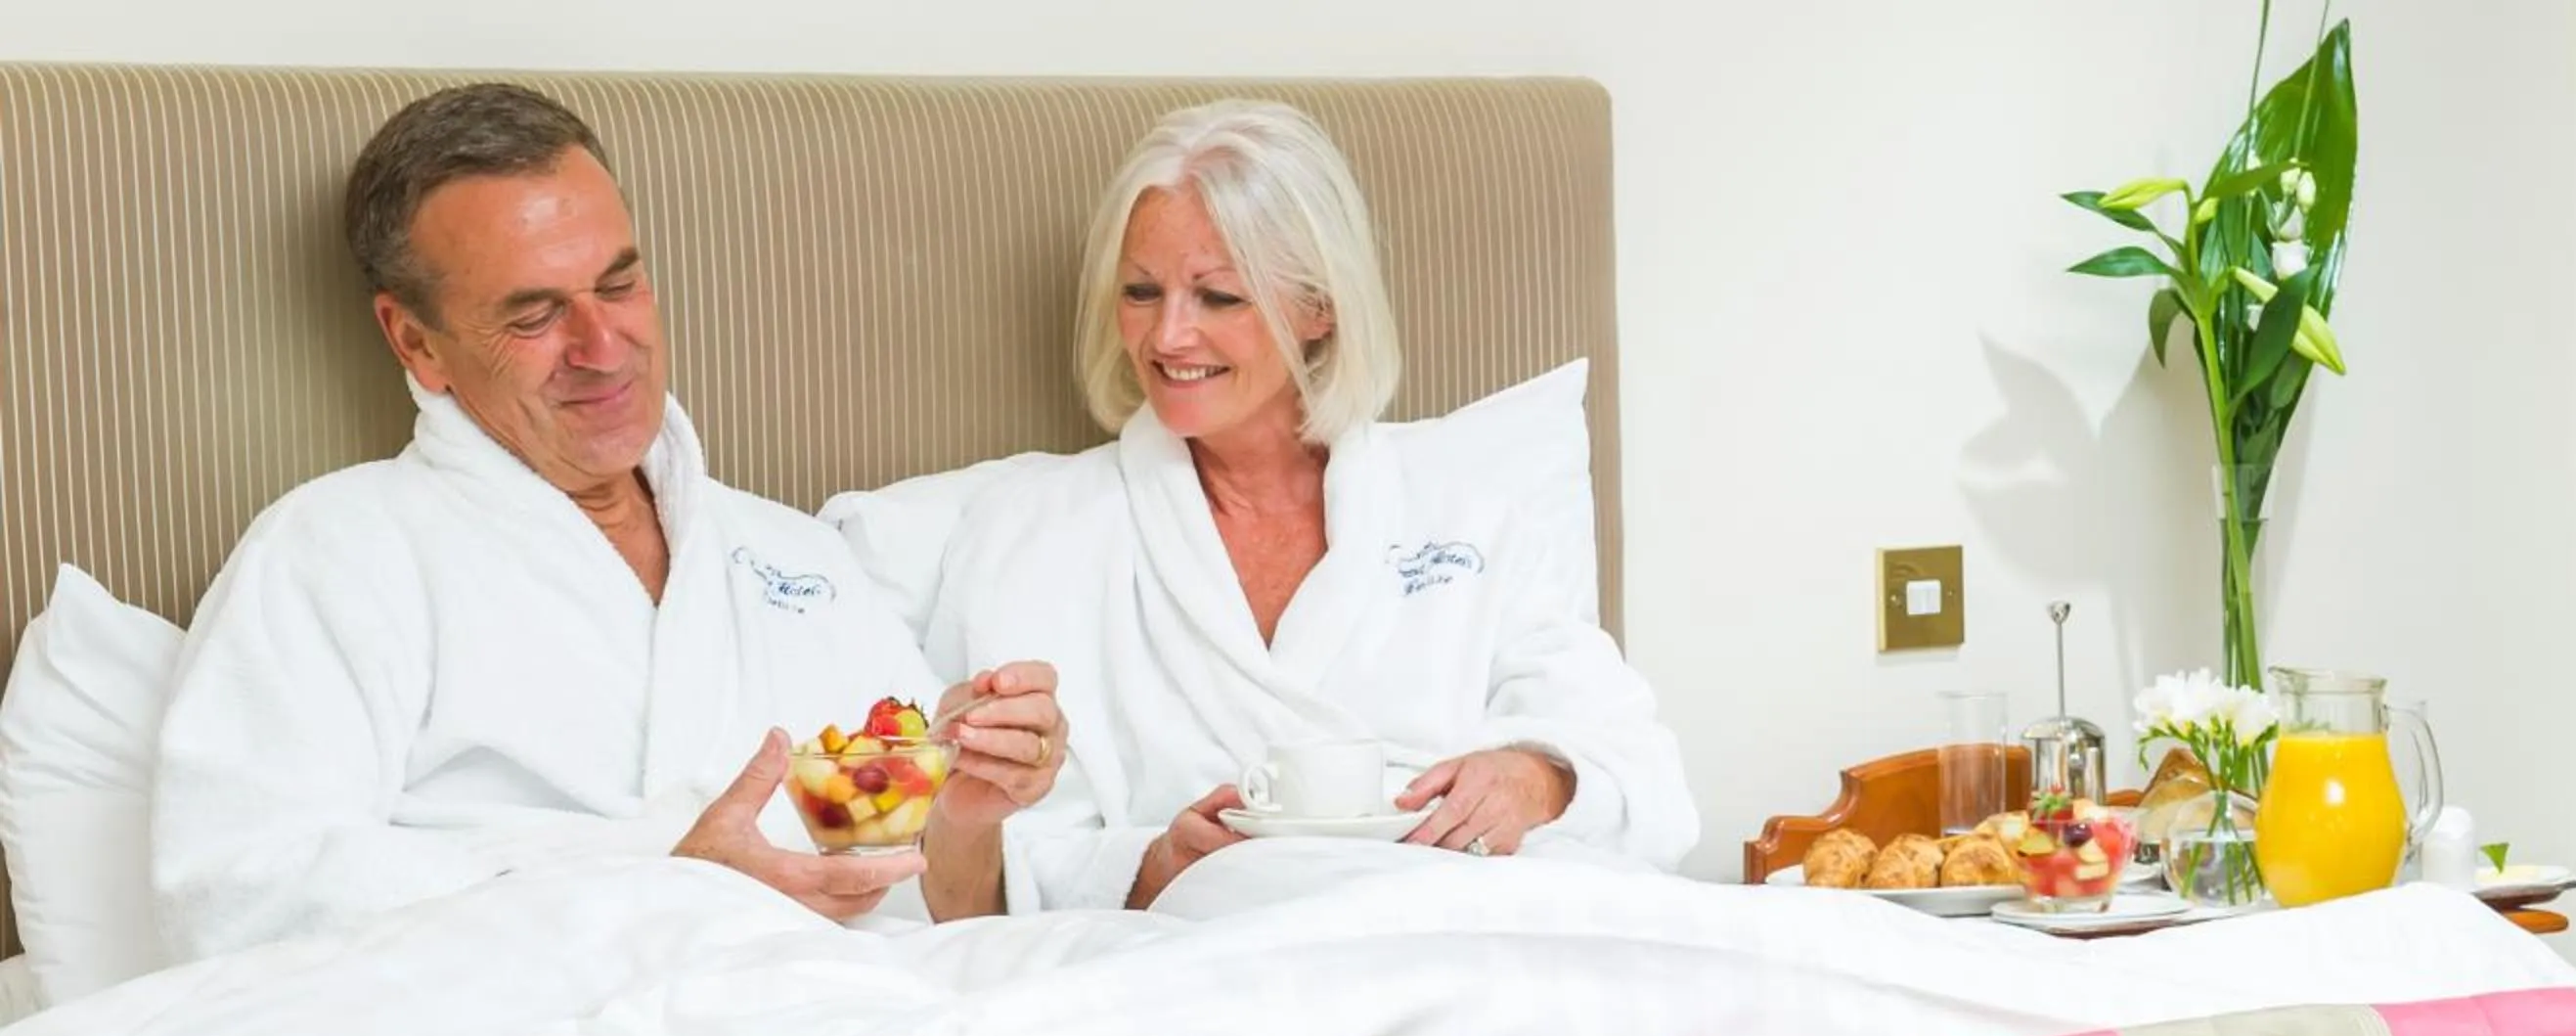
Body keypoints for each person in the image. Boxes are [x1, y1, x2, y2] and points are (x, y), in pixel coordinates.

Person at [149, 82, 1068, 965]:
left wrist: (965, 817)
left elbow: (937, 907)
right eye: (536, 314)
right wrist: (658, 891)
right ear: (416, 341)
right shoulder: (334, 554)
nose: (602, 347)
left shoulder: (790, 553)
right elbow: (238, 902)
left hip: (859, 1024)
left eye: (618, 284)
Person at [824, 100, 1696, 913]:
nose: (1167, 337)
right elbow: (967, 884)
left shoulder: (1463, 511)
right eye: (1140, 292)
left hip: (1457, 931)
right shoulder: (1036, 532)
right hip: (1206, 959)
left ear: (1319, 308)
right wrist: (1150, 868)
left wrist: (1537, 778)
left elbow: (1646, 779)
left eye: (1218, 296)